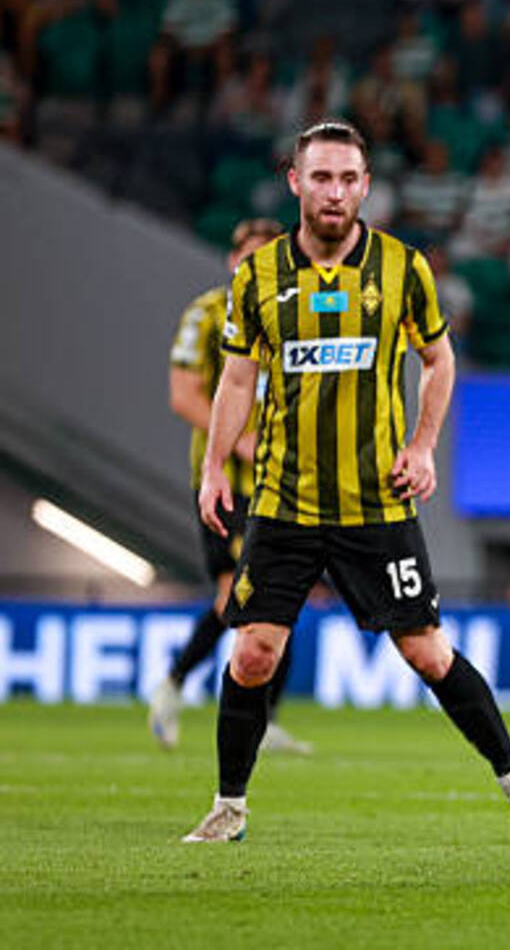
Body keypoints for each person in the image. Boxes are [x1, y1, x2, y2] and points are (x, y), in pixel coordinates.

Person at [181, 120, 510, 846]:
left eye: (348, 178)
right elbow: (236, 376)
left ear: (366, 186)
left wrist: (423, 446)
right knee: (253, 652)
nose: (335, 192)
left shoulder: (403, 268)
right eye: (321, 177)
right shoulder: (257, 277)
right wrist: (213, 465)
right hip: (285, 500)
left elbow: (439, 360)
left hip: (375, 503)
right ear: (295, 182)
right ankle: (228, 807)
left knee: (427, 653)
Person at [148, 218, 311, 757]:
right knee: (248, 596)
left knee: (271, 599)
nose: (255, 267)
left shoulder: (300, 313)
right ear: (232, 260)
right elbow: (183, 395)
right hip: (226, 484)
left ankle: (244, 712)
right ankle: (179, 687)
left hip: (285, 481)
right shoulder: (208, 314)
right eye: (248, 257)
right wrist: (238, 443)